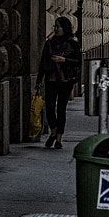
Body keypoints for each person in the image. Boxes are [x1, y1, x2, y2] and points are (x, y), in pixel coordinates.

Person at [34, 17, 80, 150]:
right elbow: (43, 62)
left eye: (58, 26)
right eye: (54, 26)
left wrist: (64, 60)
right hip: (51, 79)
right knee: (49, 107)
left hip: (66, 80)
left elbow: (78, 61)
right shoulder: (49, 43)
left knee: (61, 109)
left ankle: (58, 137)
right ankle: (53, 131)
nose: (55, 29)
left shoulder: (72, 43)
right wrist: (38, 80)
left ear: (65, 28)